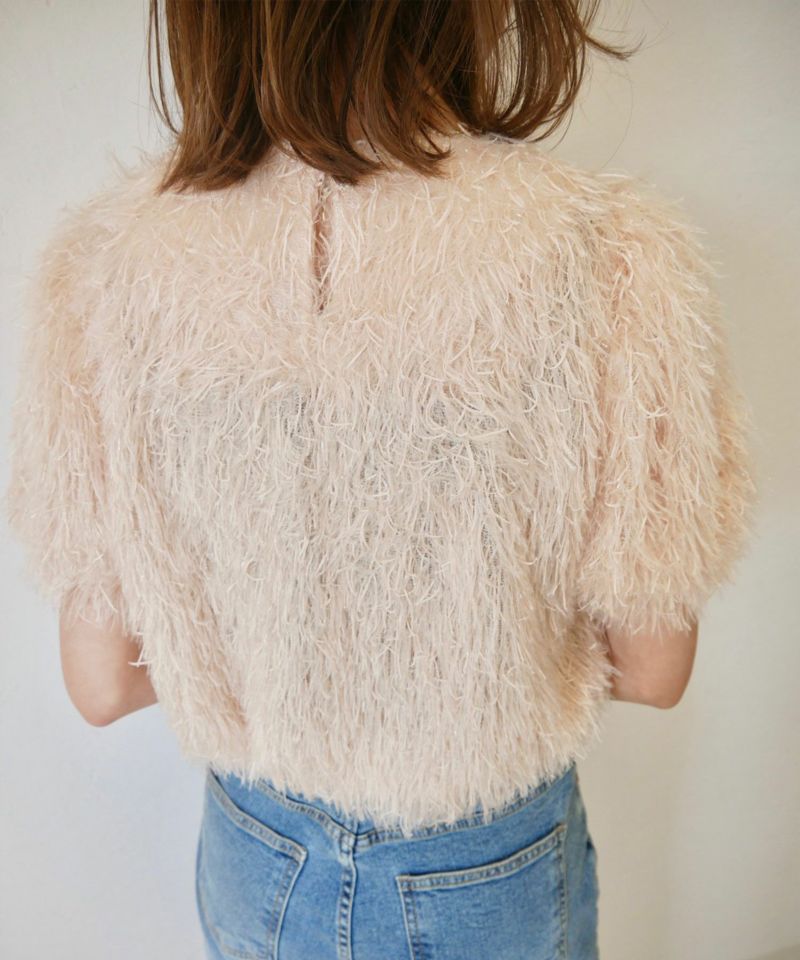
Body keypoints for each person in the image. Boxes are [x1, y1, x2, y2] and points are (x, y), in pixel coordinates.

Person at [4, 1, 758, 958]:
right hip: (487, 861)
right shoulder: (613, 252)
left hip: (258, 850)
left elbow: (103, 684)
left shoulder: (103, 263)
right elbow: (653, 669)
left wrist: (272, 663)